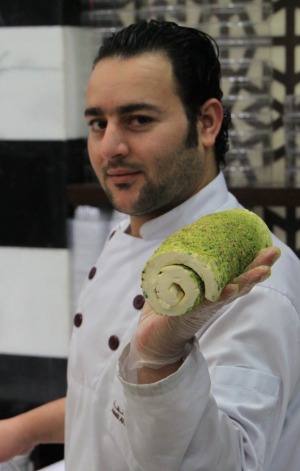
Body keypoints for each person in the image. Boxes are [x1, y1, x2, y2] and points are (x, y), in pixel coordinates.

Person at [0, 19, 299, 471]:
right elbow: (107, 399)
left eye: (138, 120)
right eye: (98, 123)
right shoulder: (133, 224)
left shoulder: (250, 279)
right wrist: (20, 432)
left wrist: (164, 360)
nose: (110, 147)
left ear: (206, 123)